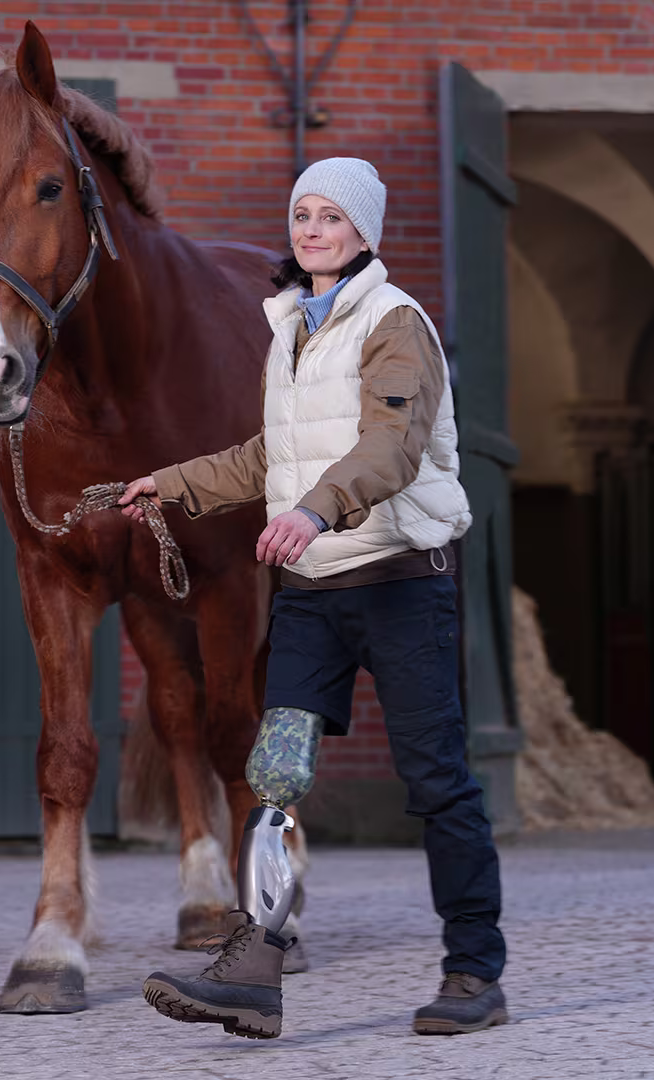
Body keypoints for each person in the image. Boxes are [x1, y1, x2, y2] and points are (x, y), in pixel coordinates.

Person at [120, 157, 507, 1040]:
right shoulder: (290, 327)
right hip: (311, 598)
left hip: (403, 587)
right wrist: (171, 483)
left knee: (436, 782)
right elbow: (267, 455)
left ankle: (473, 970)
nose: (310, 229)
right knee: (275, 775)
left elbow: (390, 449)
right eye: (301, 213)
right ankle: (255, 965)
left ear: (364, 233)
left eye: (330, 216)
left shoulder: (394, 324)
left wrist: (312, 510)